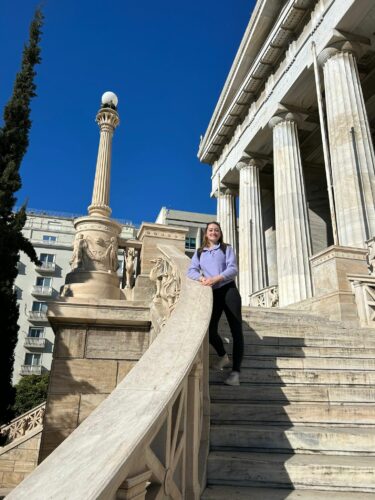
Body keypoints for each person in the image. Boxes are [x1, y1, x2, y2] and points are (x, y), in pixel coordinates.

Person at [187, 221, 244, 386]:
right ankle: (223, 356)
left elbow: (233, 269)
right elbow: (191, 270)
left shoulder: (226, 248)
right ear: (206, 233)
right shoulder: (199, 252)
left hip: (229, 291)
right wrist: (201, 278)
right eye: (210, 230)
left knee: (236, 331)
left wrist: (216, 278)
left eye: (216, 230)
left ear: (220, 233)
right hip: (213, 293)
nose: (213, 232)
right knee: (210, 330)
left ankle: (235, 373)